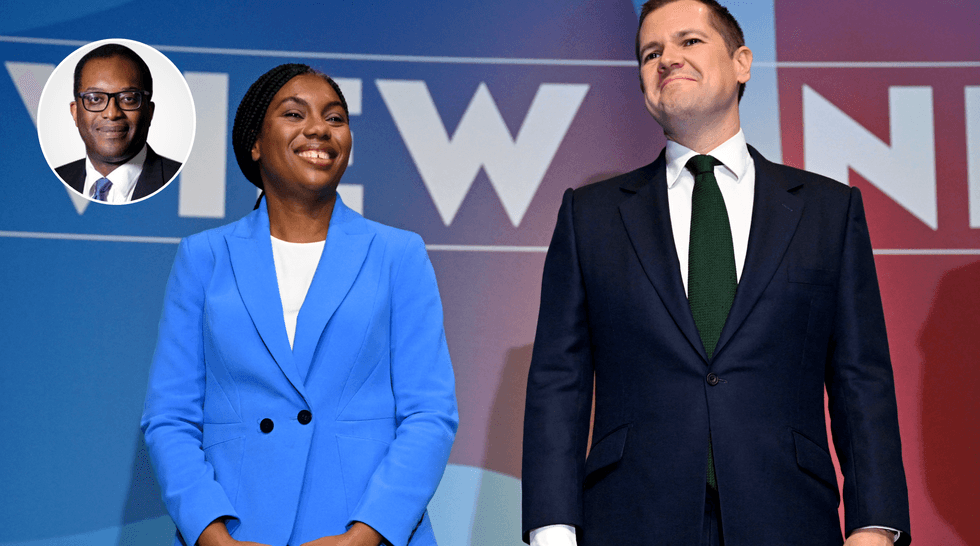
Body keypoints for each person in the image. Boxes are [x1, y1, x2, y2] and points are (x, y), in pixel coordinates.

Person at [521, 1, 911, 545]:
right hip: (631, 519)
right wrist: (553, 529)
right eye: (650, 52)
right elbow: (557, 383)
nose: (667, 59)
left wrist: (875, 523)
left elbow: (860, 379)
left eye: (689, 41)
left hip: (789, 517)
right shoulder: (590, 215)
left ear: (743, 62)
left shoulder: (828, 210)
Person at [141, 64, 458, 546]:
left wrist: (365, 535)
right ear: (254, 143)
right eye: (294, 113)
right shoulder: (203, 257)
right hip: (239, 531)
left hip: (364, 533)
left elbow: (430, 414)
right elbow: (170, 417)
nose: (319, 129)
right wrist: (211, 534)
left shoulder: (398, 254)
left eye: (335, 118)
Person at [56, 43, 180, 203]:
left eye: (128, 98)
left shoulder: (180, 183)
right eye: (95, 99)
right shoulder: (55, 181)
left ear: (149, 112)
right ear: (75, 112)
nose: (112, 113)